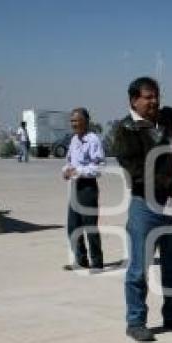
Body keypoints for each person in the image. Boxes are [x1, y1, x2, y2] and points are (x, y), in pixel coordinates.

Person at [113, 76, 172, 342]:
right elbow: (138, 172)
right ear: (133, 100)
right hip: (145, 207)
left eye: (156, 96)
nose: (154, 101)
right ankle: (135, 321)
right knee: (139, 268)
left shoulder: (167, 118)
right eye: (148, 97)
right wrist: (171, 189)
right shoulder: (125, 131)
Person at [62, 107, 105, 270]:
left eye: (76, 120)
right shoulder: (74, 140)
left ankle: (97, 261)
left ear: (85, 122)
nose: (73, 124)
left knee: (90, 226)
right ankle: (81, 260)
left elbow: (99, 167)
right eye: (72, 121)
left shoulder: (93, 140)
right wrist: (66, 170)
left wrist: (79, 171)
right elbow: (69, 161)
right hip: (75, 186)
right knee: (73, 226)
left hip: (88, 188)